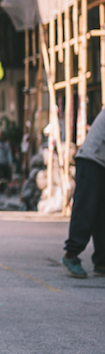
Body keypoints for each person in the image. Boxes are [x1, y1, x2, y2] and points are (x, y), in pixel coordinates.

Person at [62, 109, 105, 278]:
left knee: (102, 215)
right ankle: (71, 255)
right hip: (91, 160)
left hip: (101, 162)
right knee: (86, 210)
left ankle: (102, 262)